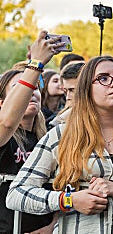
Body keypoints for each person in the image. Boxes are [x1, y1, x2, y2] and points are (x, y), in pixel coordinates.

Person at [7, 55, 113, 233]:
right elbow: (17, 194)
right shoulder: (62, 135)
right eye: (103, 78)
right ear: (86, 88)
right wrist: (68, 200)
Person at [0, 30, 61, 233]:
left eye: (35, 87)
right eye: (20, 89)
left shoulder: (51, 136)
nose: (31, 92)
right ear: (2, 103)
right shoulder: (4, 136)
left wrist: (52, 227)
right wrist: (35, 63)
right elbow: (7, 123)